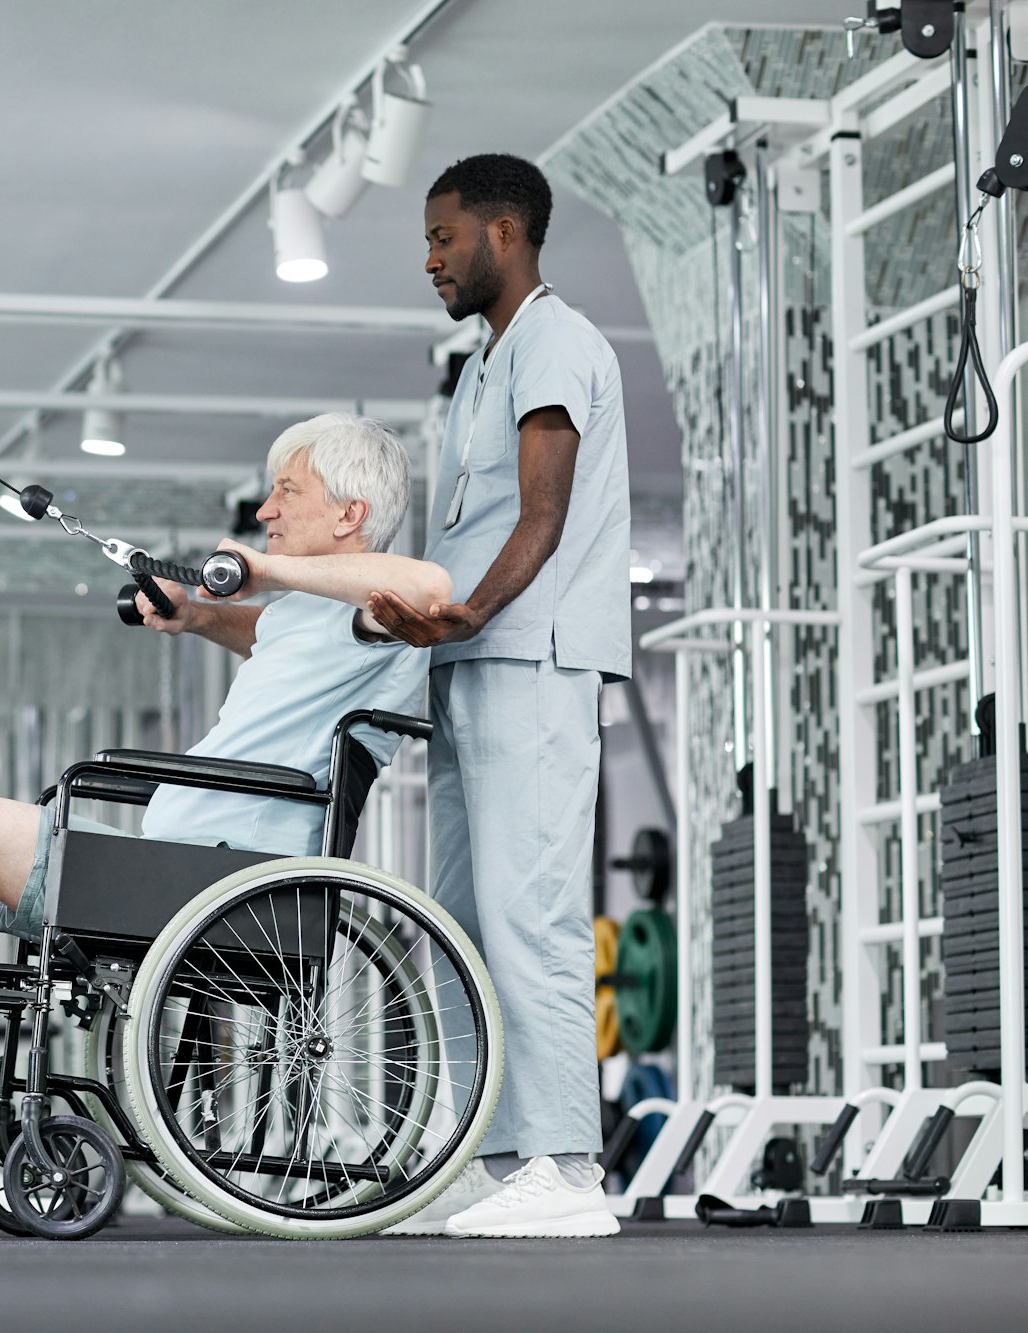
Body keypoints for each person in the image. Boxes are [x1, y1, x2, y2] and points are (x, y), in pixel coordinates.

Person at [0, 412, 449, 1183]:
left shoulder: (381, 611)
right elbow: (274, 639)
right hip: (186, 869)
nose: (265, 510)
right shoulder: (312, 617)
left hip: (224, 881)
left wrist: (265, 568)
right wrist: (200, 614)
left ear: (351, 514)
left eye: (287, 491)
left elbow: (432, 587)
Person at [354, 153, 630, 1237]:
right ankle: (488, 1154)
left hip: (533, 654)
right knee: (461, 925)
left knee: (532, 918)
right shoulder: (481, 363)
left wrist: (468, 611)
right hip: (469, 661)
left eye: (441, 237)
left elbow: (540, 512)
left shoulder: (556, 340)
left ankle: (565, 1166)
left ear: (503, 233)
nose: (428, 259)